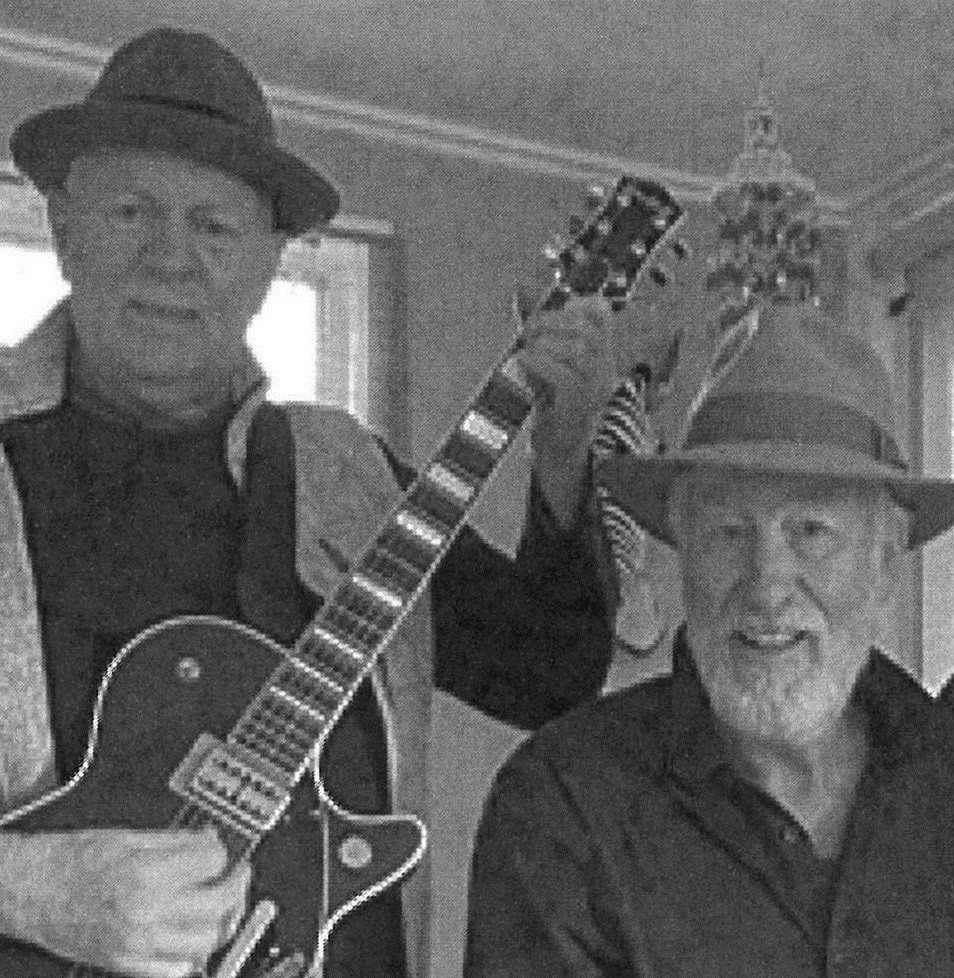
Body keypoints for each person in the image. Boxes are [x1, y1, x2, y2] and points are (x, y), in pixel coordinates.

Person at [0, 27, 621, 978]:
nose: (171, 258)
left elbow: (546, 674)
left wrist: (566, 450)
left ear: (270, 259)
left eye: (214, 227)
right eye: (131, 210)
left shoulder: (346, 473)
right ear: (62, 224)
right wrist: (29, 890)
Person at [464, 303, 954, 977]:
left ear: (886, 558)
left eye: (811, 532)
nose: (767, 585)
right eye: (728, 532)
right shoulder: (565, 807)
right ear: (682, 547)